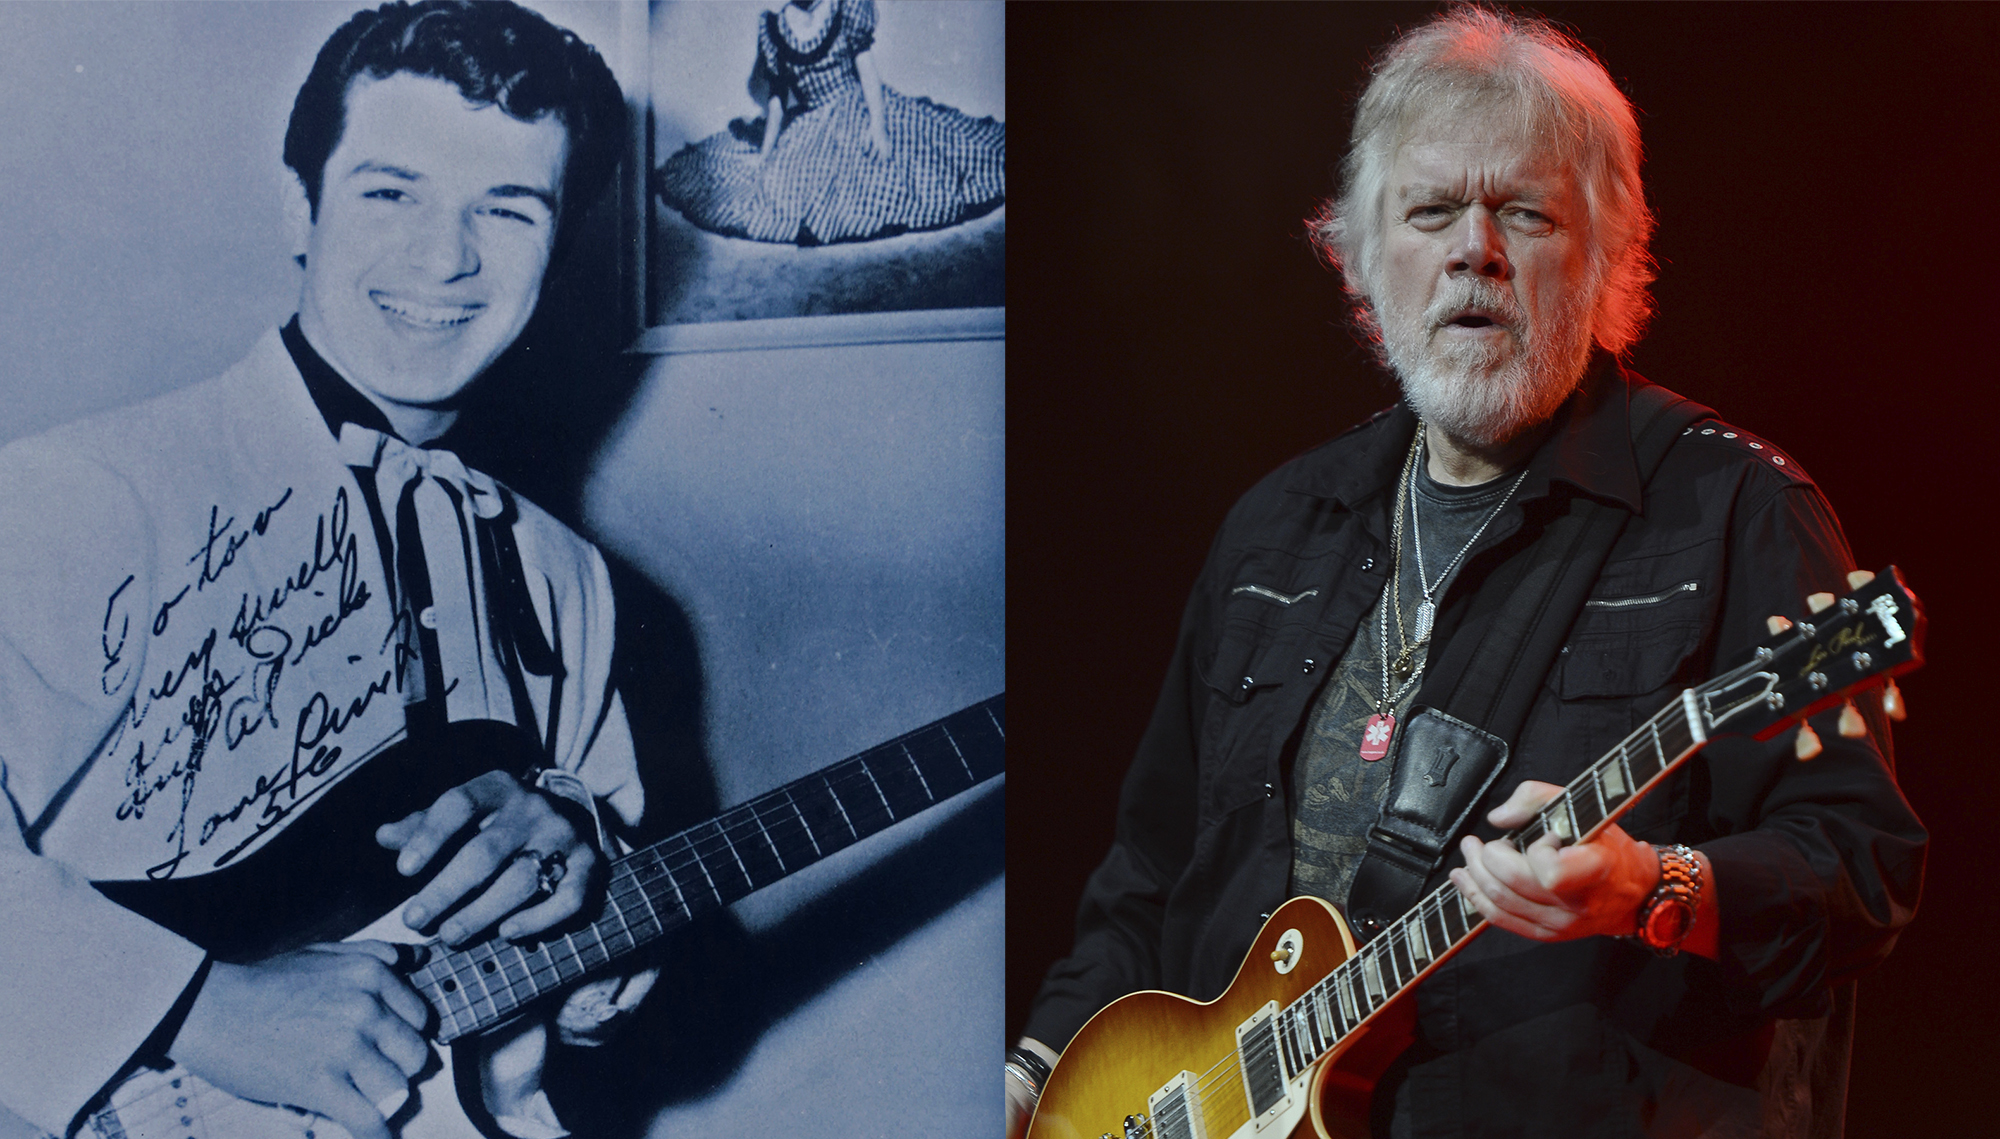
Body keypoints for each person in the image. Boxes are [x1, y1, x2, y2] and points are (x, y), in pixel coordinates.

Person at [1010, 8, 1925, 1137]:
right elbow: (1150, 869)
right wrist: (1036, 1076)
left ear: (1608, 253)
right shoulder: (1276, 527)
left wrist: (1648, 886)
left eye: (1523, 212)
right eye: (1429, 209)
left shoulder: (1735, 510)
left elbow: (1858, 870)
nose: (1471, 250)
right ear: (1355, 255)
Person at [0, 4, 650, 1138]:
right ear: (302, 208)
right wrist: (200, 1007)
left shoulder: (568, 576)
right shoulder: (82, 493)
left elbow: (593, 992)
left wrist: (588, 874)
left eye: (506, 208)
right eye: (389, 193)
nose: (445, 258)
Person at [654, 0, 1005, 245]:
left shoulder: (844, 7)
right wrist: (766, 150)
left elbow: (868, 74)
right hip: (812, 122)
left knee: (923, 157)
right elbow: (777, 100)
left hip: (859, 107)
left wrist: (879, 129)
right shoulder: (774, 27)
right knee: (788, 190)